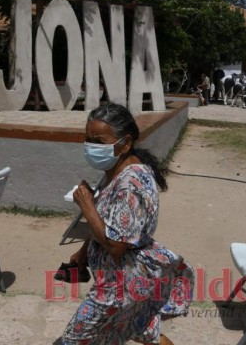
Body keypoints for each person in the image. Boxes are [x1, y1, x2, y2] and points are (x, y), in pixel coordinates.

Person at [61, 103, 194, 345]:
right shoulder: (116, 169)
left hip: (121, 283)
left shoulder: (131, 183)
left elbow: (116, 246)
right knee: (140, 329)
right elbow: (110, 220)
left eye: (99, 141)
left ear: (125, 142)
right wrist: (83, 252)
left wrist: (88, 206)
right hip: (123, 277)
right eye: (88, 138)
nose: (91, 146)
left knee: (73, 340)